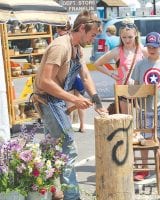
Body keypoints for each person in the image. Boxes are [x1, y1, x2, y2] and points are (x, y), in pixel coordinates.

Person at [33, 10, 107, 200]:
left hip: (57, 100)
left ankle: (46, 191)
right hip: (47, 100)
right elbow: (44, 82)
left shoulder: (77, 49)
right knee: (68, 147)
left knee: (51, 149)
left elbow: (85, 76)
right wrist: (74, 99)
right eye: (92, 35)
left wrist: (97, 101)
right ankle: (72, 196)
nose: (93, 39)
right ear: (82, 28)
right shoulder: (61, 47)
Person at [131, 32, 160, 182]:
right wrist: (137, 102)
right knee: (145, 139)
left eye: (155, 47)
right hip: (144, 108)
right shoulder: (140, 64)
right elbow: (136, 84)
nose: (152, 49)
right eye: (149, 46)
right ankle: (144, 169)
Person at [94, 18, 147, 113]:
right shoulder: (117, 51)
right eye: (124, 37)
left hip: (141, 91)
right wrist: (113, 75)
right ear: (120, 37)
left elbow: (155, 64)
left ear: (136, 35)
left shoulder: (142, 50)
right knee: (127, 123)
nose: (127, 40)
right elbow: (97, 64)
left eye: (130, 37)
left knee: (142, 123)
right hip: (124, 92)